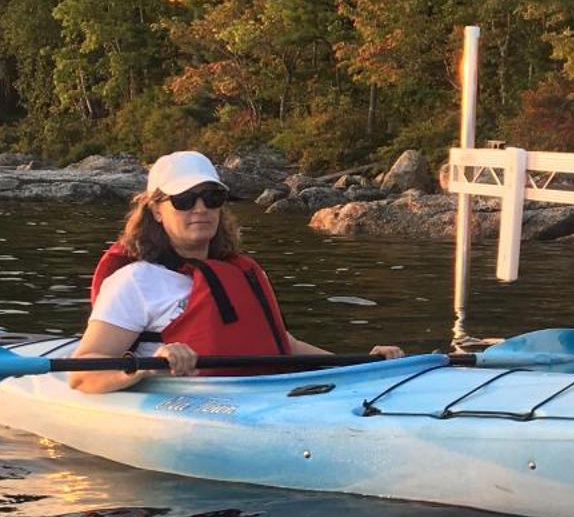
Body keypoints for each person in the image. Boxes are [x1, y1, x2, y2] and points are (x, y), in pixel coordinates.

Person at [70, 150, 401, 392]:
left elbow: (283, 344)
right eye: (184, 200)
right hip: (191, 404)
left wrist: (359, 364)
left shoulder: (240, 271)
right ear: (156, 210)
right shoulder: (136, 281)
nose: (200, 209)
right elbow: (83, 373)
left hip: (265, 397)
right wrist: (146, 368)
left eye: (212, 197)